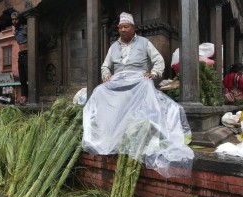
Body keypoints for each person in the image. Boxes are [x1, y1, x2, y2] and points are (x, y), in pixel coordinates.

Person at [82, 12, 194, 178]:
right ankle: (104, 129)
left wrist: (154, 73)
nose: (123, 30)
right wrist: (106, 75)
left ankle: (147, 124)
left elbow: (158, 60)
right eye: (120, 27)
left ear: (133, 28)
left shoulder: (144, 42)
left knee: (145, 84)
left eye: (126, 27)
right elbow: (105, 66)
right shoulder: (113, 46)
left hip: (138, 79)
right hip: (119, 79)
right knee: (99, 90)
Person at [11, 11, 28, 105]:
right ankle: (24, 96)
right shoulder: (15, 31)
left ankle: (28, 97)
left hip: (29, 53)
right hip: (21, 54)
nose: (14, 21)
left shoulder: (26, 27)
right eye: (13, 19)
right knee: (22, 77)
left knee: (30, 76)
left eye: (16, 19)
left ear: (19, 19)